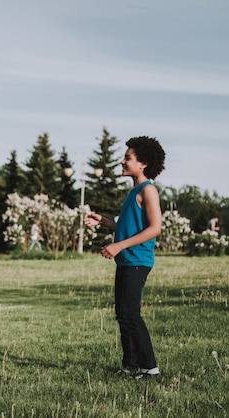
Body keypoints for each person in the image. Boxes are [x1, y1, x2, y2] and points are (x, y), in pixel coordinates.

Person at [84, 136, 165, 380]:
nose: (122, 161)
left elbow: (155, 228)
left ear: (143, 163)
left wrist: (118, 246)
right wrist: (105, 222)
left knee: (130, 313)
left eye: (127, 158)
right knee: (122, 313)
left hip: (138, 261)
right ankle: (130, 365)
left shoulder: (148, 190)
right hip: (127, 261)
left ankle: (149, 367)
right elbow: (128, 227)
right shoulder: (134, 192)